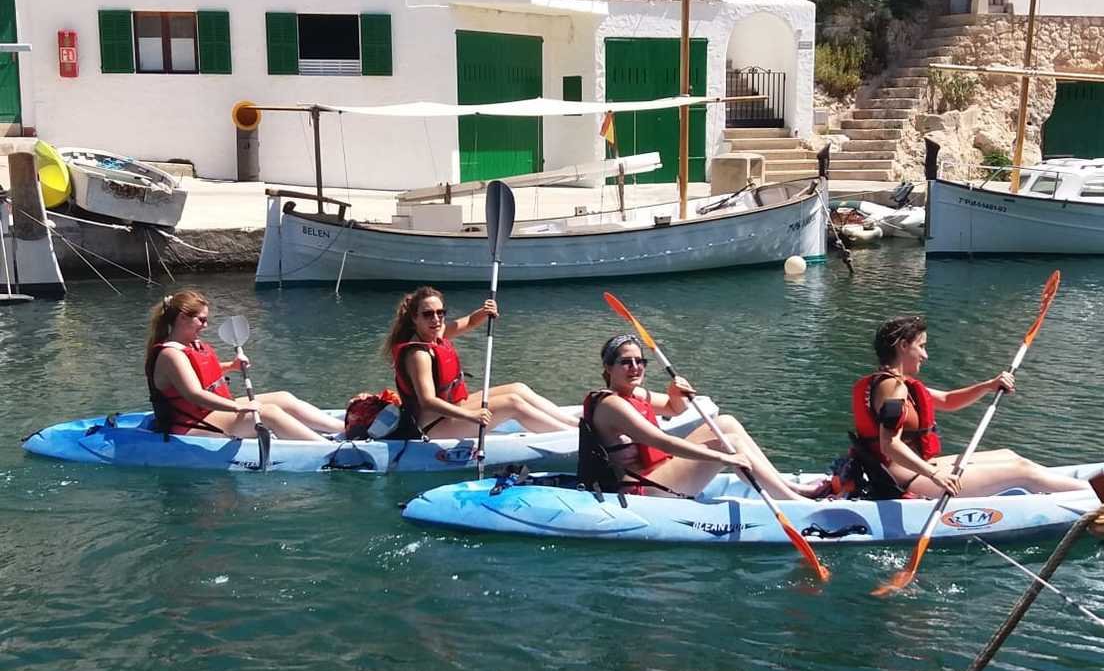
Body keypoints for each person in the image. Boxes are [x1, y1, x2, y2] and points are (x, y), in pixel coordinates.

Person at [848, 315, 1080, 499]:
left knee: (1009, 455)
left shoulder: (890, 383)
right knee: (1022, 472)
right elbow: (889, 445)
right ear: (903, 345)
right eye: (921, 346)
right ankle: (1095, 495)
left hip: (913, 469)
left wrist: (989, 385)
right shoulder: (893, 388)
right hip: (906, 480)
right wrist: (935, 474)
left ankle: (1079, 486)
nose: (925, 355)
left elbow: (948, 400)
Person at [577, 332, 814, 501]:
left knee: (726, 423)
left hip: (658, 470)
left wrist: (675, 394)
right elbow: (663, 442)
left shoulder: (634, 392)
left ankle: (791, 488)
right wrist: (724, 458)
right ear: (608, 368)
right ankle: (798, 504)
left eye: (640, 361)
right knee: (730, 444)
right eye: (626, 362)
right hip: (641, 488)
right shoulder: (612, 405)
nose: (635, 367)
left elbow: (673, 408)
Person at [145, 290, 343, 441]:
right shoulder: (171, 354)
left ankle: (344, 429)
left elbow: (200, 374)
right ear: (182, 318)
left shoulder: (191, 345)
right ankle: (326, 449)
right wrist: (237, 408)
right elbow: (195, 394)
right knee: (268, 412)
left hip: (209, 413)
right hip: (189, 424)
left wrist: (230, 366)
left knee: (283, 397)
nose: (206, 325)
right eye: (202, 320)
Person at [383, 287, 577, 440]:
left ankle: (575, 425)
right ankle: (574, 438)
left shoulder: (436, 334)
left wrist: (485, 312)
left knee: (518, 388)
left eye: (440, 312)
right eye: (428, 314)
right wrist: (472, 416)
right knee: (512, 404)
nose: (436, 319)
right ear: (414, 318)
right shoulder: (419, 354)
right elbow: (428, 401)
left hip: (455, 409)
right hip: (433, 426)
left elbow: (468, 322)